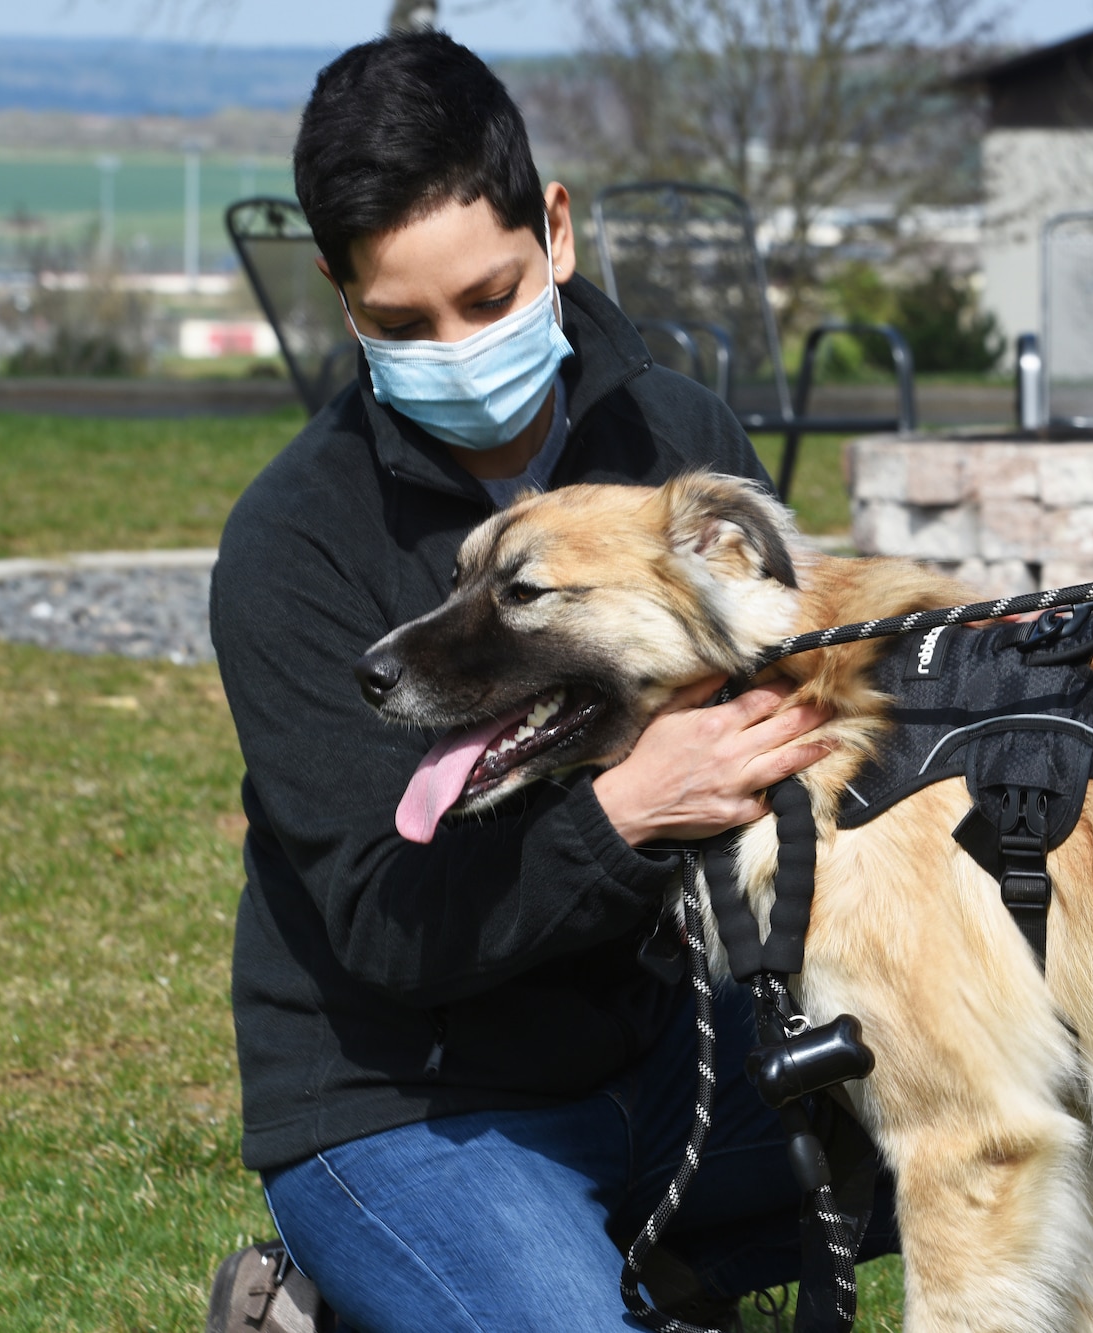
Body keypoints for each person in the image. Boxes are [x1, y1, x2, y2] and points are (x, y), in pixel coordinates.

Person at [209, 31, 892, 1333]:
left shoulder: (682, 441)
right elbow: (386, 923)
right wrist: (626, 809)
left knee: (1069, 1081)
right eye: (398, 324)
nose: (456, 350)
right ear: (338, 296)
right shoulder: (289, 547)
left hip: (678, 1054)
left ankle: (641, 1264)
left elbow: (802, 701)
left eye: (487, 296)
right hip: (413, 1103)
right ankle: (350, 1287)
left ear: (557, 233)